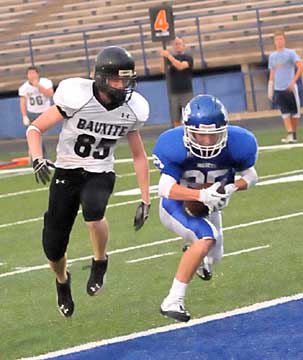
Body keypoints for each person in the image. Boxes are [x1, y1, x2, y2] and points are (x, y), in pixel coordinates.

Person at [26, 46, 151, 317]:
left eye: (126, 79)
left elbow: (139, 155)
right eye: (117, 79)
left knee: (94, 213)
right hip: (67, 171)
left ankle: (100, 261)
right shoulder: (77, 96)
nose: (123, 85)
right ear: (102, 78)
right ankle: (62, 282)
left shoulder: (133, 109)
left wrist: (145, 198)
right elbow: (35, 129)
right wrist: (37, 158)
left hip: (100, 171)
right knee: (53, 247)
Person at [152, 94, 258, 322]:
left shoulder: (240, 142)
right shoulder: (172, 144)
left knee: (215, 256)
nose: (207, 142)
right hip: (177, 204)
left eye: (214, 135)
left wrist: (230, 188)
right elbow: (164, 189)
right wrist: (200, 194)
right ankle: (173, 300)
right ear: (187, 129)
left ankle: (196, 256)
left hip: (208, 206)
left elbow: (251, 176)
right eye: (200, 134)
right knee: (207, 237)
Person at [268, 30, 303, 143]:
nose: (279, 41)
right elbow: (272, 72)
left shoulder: (290, 53)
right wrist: (270, 87)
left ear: (284, 40)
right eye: (277, 39)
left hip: (290, 88)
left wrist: (293, 81)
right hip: (278, 88)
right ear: (274, 41)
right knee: (284, 113)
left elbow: (300, 66)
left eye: (281, 39)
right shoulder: (272, 56)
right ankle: (290, 133)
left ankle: (293, 133)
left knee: (295, 113)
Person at [19, 66, 54, 158]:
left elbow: (50, 94)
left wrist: (38, 85)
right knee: (36, 135)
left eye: (33, 73)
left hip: (45, 112)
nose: (31, 75)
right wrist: (24, 116)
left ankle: (42, 156)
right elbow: (23, 102)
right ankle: (40, 157)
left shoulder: (45, 82)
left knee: (45, 137)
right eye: (29, 73)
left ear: (37, 74)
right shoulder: (24, 87)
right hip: (32, 113)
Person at [160, 36, 194, 127]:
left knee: (189, 117)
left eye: (179, 44)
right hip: (174, 92)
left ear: (183, 45)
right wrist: (163, 58)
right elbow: (163, 70)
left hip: (186, 91)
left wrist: (169, 56)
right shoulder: (170, 58)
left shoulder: (188, 57)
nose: (177, 46)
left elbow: (180, 66)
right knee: (175, 118)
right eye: (175, 44)